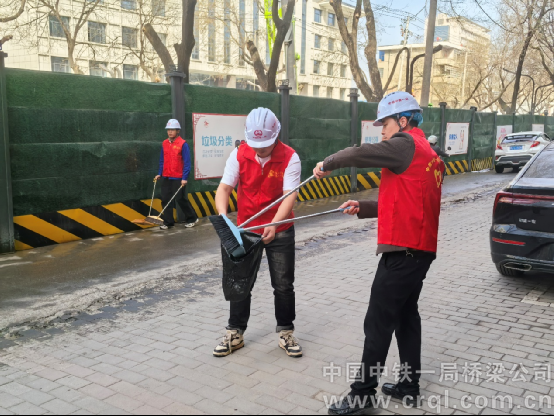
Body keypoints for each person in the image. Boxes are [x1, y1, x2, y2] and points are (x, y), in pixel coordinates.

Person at [313, 92, 445, 415]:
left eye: (385, 123)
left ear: (403, 121)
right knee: (406, 317)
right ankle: (409, 386)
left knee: (377, 322)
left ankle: (362, 396)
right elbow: (406, 201)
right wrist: (364, 207)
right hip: (419, 250)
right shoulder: (428, 154)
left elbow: (359, 153)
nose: (382, 131)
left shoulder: (404, 144)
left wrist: (327, 163)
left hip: (402, 252)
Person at [213, 107, 303, 359]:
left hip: (280, 228)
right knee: (239, 282)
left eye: (264, 145)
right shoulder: (239, 154)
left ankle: (286, 331)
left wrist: (274, 223)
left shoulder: (290, 157)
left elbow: (290, 195)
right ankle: (235, 332)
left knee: (283, 284)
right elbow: (224, 189)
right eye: (255, 144)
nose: (259, 150)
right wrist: (224, 218)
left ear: (276, 135)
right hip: (247, 229)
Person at [155, 119, 198, 230]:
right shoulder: (164, 143)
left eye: (172, 130)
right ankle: (168, 222)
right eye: (168, 130)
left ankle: (192, 218)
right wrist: (159, 173)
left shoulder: (183, 144)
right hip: (166, 176)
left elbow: (187, 162)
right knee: (165, 199)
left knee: (180, 199)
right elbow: (162, 160)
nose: (170, 132)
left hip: (178, 177)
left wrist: (184, 178)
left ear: (178, 131)